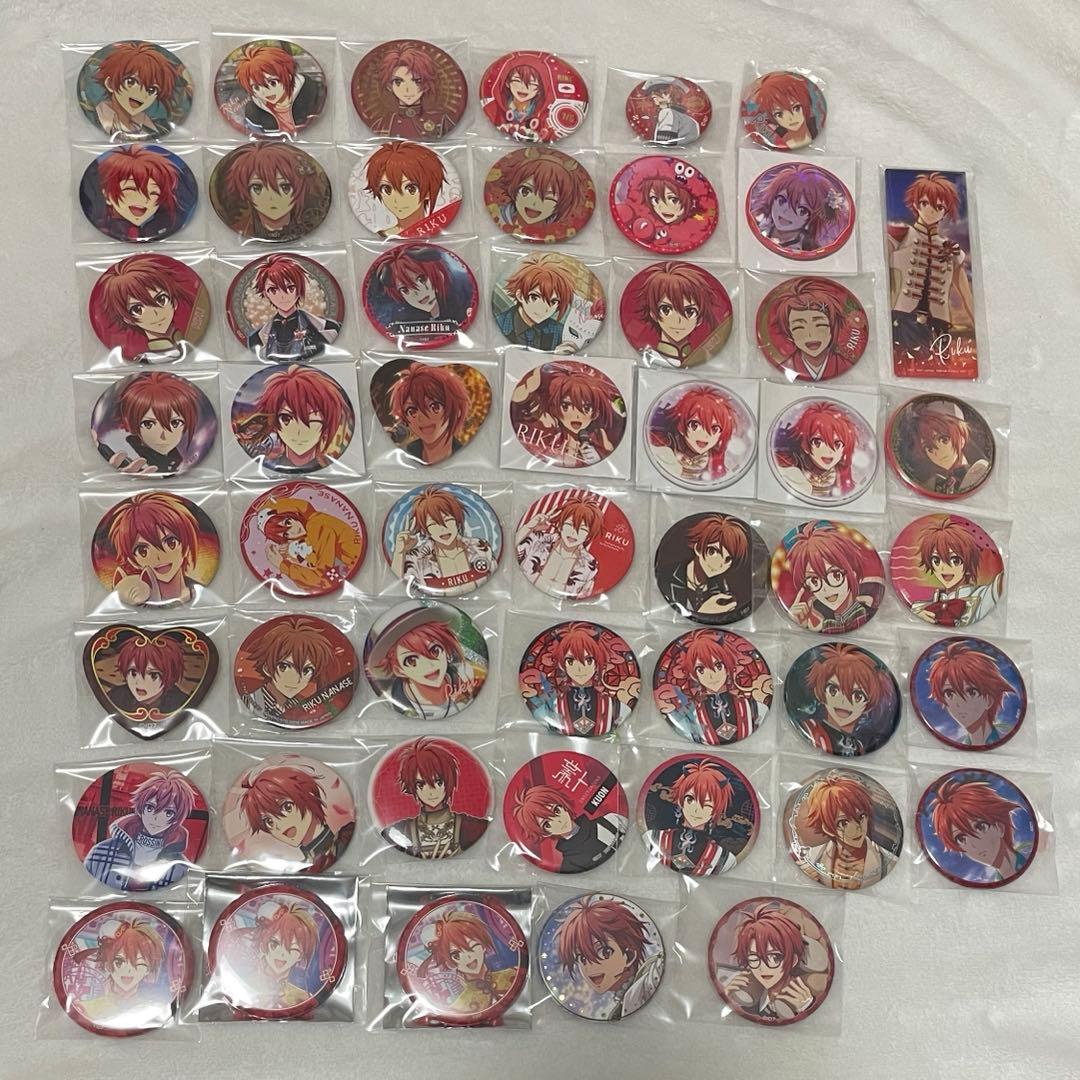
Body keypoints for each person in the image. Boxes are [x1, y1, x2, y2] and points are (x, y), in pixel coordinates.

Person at [887, 172, 976, 364]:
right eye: (925, 203)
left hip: (939, 324)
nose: (931, 211)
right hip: (904, 319)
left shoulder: (951, 248)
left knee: (940, 368)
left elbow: (965, 292)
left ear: (946, 211)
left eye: (939, 207)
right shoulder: (900, 234)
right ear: (916, 204)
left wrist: (980, 327)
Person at [83, 769, 198, 890]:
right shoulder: (101, 852)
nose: (156, 818)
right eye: (150, 808)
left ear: (177, 818)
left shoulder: (181, 867)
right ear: (140, 809)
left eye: (168, 813)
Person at [519, 622, 640, 737]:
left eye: (588, 660)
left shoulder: (616, 707)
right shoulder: (550, 708)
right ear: (562, 665)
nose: (580, 669)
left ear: (597, 663)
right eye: (570, 661)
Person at [654, 629, 772, 745]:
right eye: (701, 669)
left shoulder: (753, 706)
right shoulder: (692, 715)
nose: (711, 675)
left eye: (718, 666)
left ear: (727, 668)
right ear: (693, 675)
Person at [553, 896, 663, 1019]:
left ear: (629, 956)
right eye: (582, 958)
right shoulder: (622, 1004)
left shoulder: (649, 980)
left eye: (605, 952)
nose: (590, 966)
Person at [382, 737, 488, 859]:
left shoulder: (471, 827)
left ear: (448, 782)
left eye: (438, 782)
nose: (431, 793)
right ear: (412, 788)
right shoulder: (399, 830)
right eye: (421, 785)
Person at [723, 903, 830, 1020]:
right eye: (754, 958)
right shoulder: (749, 996)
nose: (763, 968)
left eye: (774, 958)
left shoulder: (803, 999)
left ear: (793, 960)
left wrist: (808, 1007)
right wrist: (726, 999)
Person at [238, 763, 352, 872]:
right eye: (269, 821)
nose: (279, 826)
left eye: (287, 807)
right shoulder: (301, 869)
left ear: (309, 795)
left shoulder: (345, 838)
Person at [236, 364, 347, 473]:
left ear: (326, 427)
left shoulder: (335, 469)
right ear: (274, 423)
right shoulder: (264, 464)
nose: (299, 432)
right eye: (286, 418)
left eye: (313, 421)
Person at [239, 616, 348, 724]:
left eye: (307, 670)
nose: (296, 680)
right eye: (284, 667)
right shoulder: (253, 701)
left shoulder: (299, 705)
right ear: (267, 668)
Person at [94, 253, 201, 362]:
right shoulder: (146, 357)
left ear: (174, 302)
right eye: (137, 309)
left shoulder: (186, 336)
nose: (155, 313)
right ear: (127, 319)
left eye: (161, 299)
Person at [798, 772, 897, 888]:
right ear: (827, 828)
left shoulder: (889, 862)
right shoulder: (810, 859)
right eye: (844, 823)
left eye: (861, 816)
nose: (857, 828)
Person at [511, 362, 620, 466]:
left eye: (586, 408)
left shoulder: (599, 437)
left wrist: (598, 458)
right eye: (565, 405)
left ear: (595, 414)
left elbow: (613, 460)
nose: (576, 416)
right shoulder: (551, 429)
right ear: (554, 408)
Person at [107, 491, 205, 606]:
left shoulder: (199, 591)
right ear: (132, 561)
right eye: (143, 551)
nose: (159, 557)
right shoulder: (132, 596)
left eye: (171, 543)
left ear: (186, 546)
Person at [391, 486, 494, 594]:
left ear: (457, 521)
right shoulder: (417, 558)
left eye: (448, 520)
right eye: (433, 524)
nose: (443, 528)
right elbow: (397, 586)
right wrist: (400, 552)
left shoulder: (480, 547)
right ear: (426, 529)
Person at [797, 643, 894, 756]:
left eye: (857, 696)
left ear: (869, 704)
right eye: (833, 690)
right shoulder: (810, 728)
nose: (844, 701)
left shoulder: (859, 745)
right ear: (820, 693)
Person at [98, 371, 202, 475]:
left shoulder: (177, 459)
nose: (163, 436)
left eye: (175, 423)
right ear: (131, 422)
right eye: (148, 424)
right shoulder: (122, 452)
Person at [416, 909, 517, 1014]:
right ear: (449, 962)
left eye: (472, 946)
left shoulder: (513, 974)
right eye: (456, 954)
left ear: (482, 945)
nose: (468, 957)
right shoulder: (457, 1010)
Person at [928, 777, 1031, 881]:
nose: (974, 844)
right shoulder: (996, 880)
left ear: (999, 827)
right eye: (961, 838)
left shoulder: (1029, 853)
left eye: (980, 827)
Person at [784, 522, 880, 633]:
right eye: (814, 581)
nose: (825, 589)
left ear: (852, 572)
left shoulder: (865, 613)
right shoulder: (826, 624)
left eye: (835, 575)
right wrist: (801, 625)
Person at [648, 759, 738, 875]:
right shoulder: (654, 837)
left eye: (706, 805)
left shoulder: (723, 857)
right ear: (680, 801)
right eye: (690, 800)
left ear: (715, 811)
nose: (696, 810)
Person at [257, 496, 363, 594]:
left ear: (293, 514)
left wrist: (283, 565)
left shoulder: (315, 525)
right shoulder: (314, 522)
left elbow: (321, 578)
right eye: (286, 534)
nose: (294, 532)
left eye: (288, 523)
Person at [369, 621, 474, 719]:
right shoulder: (391, 700)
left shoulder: (465, 673)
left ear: (446, 651)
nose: (429, 665)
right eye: (412, 660)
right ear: (399, 670)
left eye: (434, 651)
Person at [511, 784, 626, 873]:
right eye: (547, 824)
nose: (559, 821)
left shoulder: (611, 820)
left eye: (556, 810)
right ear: (544, 833)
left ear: (563, 806)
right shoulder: (570, 863)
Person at [911, 516, 1003, 627]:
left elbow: (999, 580)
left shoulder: (983, 595)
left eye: (955, 560)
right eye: (936, 560)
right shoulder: (923, 606)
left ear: (968, 561)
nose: (944, 568)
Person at [629, 261, 726, 365]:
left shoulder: (701, 355)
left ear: (699, 319)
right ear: (653, 314)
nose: (678, 321)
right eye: (666, 310)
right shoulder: (650, 352)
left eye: (690, 312)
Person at [245, 254, 340, 360]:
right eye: (273, 290)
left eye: (290, 288)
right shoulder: (256, 338)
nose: (283, 296)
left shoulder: (328, 328)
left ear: (299, 289)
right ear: (266, 294)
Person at [74, 918, 168, 1023]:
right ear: (107, 965)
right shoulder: (85, 1009)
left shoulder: (156, 1011)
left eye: (139, 963)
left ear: (148, 969)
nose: (128, 970)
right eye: (119, 962)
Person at [926, 640, 1016, 746]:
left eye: (971, 692)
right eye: (949, 693)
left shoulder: (1007, 735)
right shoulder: (960, 741)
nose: (958, 703)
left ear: (989, 700)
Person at [767, 277, 858, 381]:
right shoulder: (787, 366)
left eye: (820, 324)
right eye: (798, 327)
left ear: (832, 327)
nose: (811, 334)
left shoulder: (844, 364)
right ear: (789, 333)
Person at [665, 514, 751, 621]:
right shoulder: (667, 576)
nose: (720, 565)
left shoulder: (723, 587)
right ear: (698, 548)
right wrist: (703, 612)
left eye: (728, 559)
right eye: (712, 552)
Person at [373, 244, 474, 336]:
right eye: (405, 290)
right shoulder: (400, 320)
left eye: (422, 280)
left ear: (439, 274)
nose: (418, 293)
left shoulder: (460, 305)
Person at [648, 384, 739, 484]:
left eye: (714, 429)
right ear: (680, 427)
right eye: (695, 425)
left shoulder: (715, 461)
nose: (704, 435)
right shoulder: (667, 443)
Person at [221, 142, 312, 240]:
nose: (271, 198)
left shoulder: (308, 222)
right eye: (257, 188)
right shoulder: (239, 229)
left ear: (300, 188)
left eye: (285, 187)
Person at [515, 496, 602, 598]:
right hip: (520, 595)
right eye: (569, 524)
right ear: (561, 526)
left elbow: (582, 597)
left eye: (583, 529)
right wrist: (529, 526)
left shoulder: (590, 566)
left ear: (588, 535)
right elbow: (513, 548)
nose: (574, 533)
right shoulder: (539, 541)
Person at [385, 362, 471, 465]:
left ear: (456, 410)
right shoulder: (403, 456)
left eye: (434, 407)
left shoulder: (468, 459)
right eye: (412, 411)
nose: (422, 418)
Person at [489, 148, 590, 233]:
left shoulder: (557, 230)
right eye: (526, 191)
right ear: (514, 189)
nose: (534, 203)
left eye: (549, 198)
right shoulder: (500, 213)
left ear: (562, 203)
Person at [91, 41, 181, 138]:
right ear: (109, 84)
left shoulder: (161, 127)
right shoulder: (94, 118)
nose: (141, 94)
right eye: (131, 82)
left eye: (151, 89)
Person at [773, 400, 858, 500]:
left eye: (837, 444)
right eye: (817, 442)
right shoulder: (791, 468)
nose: (828, 451)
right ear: (805, 445)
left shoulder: (842, 478)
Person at [902, 399, 990, 496]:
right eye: (929, 447)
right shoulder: (933, 483)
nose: (938, 452)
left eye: (944, 440)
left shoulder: (980, 470)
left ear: (962, 438)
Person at [363, 140, 451, 237]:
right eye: (387, 189)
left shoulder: (436, 225)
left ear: (428, 192)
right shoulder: (384, 234)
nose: (397, 200)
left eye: (411, 189)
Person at [750, 163, 845, 252]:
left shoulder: (807, 248)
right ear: (772, 200)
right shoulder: (759, 224)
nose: (786, 212)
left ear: (813, 217)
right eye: (781, 201)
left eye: (802, 210)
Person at [97, 145, 183, 241]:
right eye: (130, 189)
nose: (144, 199)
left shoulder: (166, 225)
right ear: (107, 195)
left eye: (153, 193)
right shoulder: (102, 229)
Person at [234, 43, 322, 136]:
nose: (265, 92)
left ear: (289, 76)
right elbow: (257, 138)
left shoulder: (313, 94)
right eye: (256, 87)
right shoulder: (253, 111)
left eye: (273, 83)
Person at [374, 43, 459, 138]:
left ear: (427, 83)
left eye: (417, 81)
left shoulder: (441, 120)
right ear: (389, 86)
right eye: (398, 81)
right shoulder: (383, 124)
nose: (408, 89)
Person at [496, 254, 577, 353]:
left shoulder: (560, 332)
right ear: (520, 295)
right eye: (534, 297)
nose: (543, 309)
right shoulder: (500, 324)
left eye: (553, 301)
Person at [247, 902, 319, 1009]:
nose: (282, 954)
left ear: (300, 955)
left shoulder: (302, 997)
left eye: (293, 948)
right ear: (262, 945)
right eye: (275, 944)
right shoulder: (242, 984)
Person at [107, 632, 187, 716]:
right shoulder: (115, 696)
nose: (139, 683)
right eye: (133, 672)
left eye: (153, 675)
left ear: (170, 675)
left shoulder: (180, 702)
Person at [750, 71, 818, 150]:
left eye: (796, 108)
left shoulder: (816, 124)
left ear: (805, 104)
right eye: (779, 114)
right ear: (772, 117)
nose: (790, 118)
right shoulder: (778, 140)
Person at [642, 78, 701, 145]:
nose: (653, 96)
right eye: (652, 94)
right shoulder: (690, 120)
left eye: (657, 92)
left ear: (670, 93)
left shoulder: (667, 112)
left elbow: (664, 142)